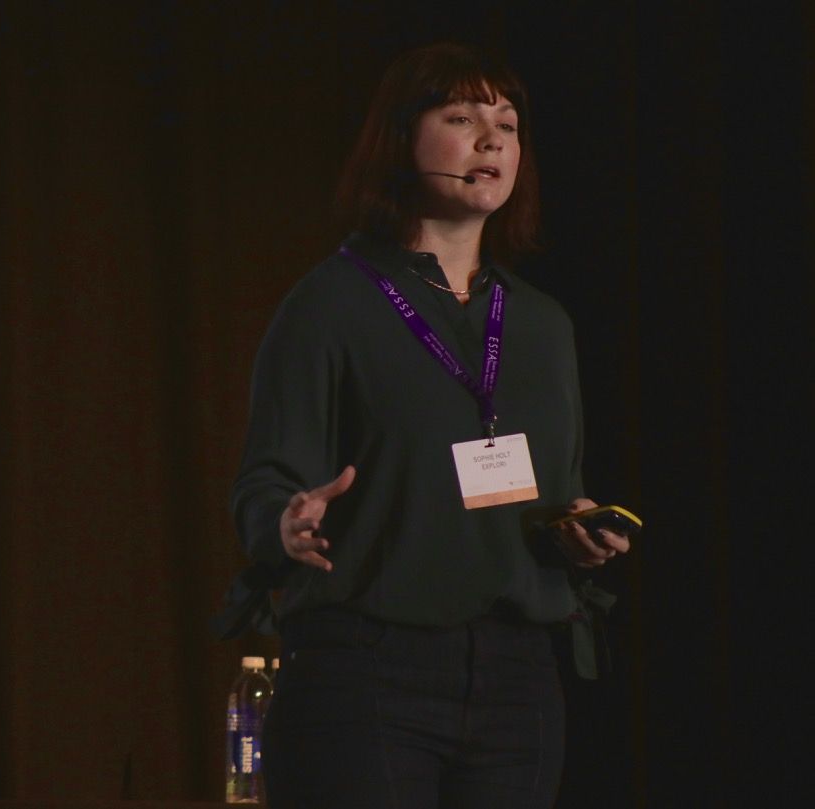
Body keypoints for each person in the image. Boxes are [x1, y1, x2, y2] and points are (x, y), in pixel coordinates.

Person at [229, 43, 630, 809]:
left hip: (517, 678)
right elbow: (265, 479)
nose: (491, 141)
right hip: (368, 669)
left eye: (507, 125)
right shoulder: (330, 304)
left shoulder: (542, 324)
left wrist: (577, 528)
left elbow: (557, 489)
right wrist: (284, 521)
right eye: (462, 119)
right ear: (400, 138)